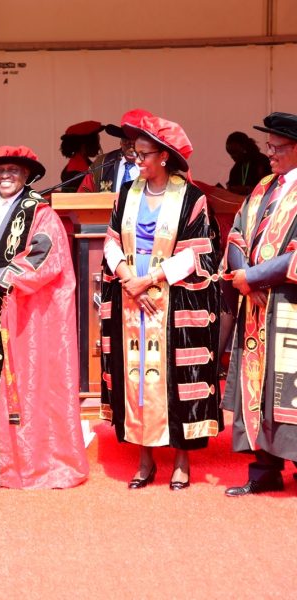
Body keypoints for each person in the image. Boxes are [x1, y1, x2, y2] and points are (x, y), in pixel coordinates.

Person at [0, 145, 89, 489]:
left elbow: (44, 258)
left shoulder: (40, 214)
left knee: (22, 389)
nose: (5, 176)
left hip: (20, 317)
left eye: (13, 170)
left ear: (27, 176)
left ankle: (25, 463)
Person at [100, 115, 222, 490]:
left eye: (144, 154)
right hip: (131, 301)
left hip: (174, 302)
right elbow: (110, 240)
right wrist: (125, 277)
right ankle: (144, 457)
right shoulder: (127, 194)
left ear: (165, 156)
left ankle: (182, 459)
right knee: (135, 378)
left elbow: (200, 253)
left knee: (175, 379)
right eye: (136, 154)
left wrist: (149, 279)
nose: (138, 161)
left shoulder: (191, 198)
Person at [222, 112, 297, 496]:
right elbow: (237, 233)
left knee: (288, 389)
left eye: (278, 148)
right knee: (260, 389)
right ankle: (264, 469)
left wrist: (253, 277)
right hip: (255, 307)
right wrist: (241, 276)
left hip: (289, 304)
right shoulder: (264, 186)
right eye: (269, 147)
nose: (270, 154)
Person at [78, 109, 152, 193]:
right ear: (120, 141)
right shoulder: (102, 163)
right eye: (126, 140)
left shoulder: (155, 166)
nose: (131, 148)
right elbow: (83, 196)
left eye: (134, 142)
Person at [59, 121, 103, 192]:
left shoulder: (78, 164)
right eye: (96, 143)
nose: (98, 147)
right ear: (83, 146)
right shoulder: (76, 171)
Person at [225, 131, 271, 196]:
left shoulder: (262, 161)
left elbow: (269, 188)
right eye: (230, 153)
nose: (232, 156)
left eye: (235, 152)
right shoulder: (236, 168)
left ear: (244, 147)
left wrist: (246, 190)